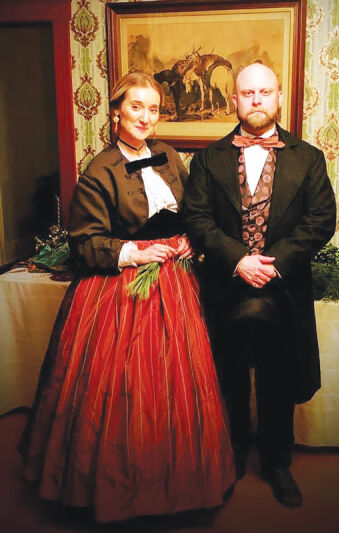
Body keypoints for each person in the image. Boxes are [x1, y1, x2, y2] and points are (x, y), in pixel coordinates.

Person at [19, 72, 235, 523]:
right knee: (126, 387)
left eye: (153, 109)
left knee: (180, 383)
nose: (145, 117)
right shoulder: (99, 170)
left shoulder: (170, 156)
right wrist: (134, 251)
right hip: (117, 288)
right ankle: (118, 488)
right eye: (136, 106)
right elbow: (85, 243)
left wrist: (191, 238)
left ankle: (179, 487)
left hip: (176, 281)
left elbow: (195, 209)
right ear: (117, 111)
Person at [181, 63, 336, 507]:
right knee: (227, 374)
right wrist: (238, 260)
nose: (255, 99)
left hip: (283, 286)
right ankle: (228, 455)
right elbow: (197, 218)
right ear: (234, 100)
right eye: (247, 92)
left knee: (277, 378)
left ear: (279, 97)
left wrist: (273, 263)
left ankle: (276, 463)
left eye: (264, 91)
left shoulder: (309, 157)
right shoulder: (208, 159)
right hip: (226, 284)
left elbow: (321, 219)